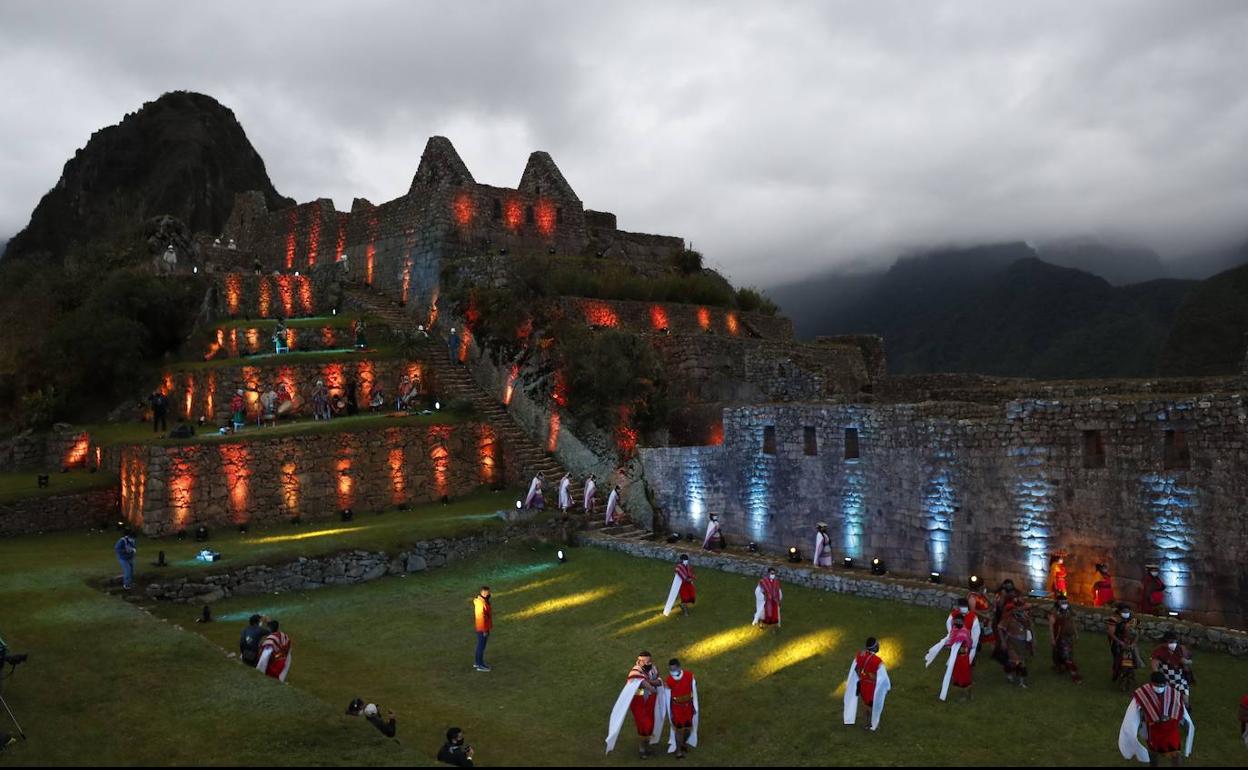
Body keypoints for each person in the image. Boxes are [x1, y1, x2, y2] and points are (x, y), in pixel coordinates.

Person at [1118, 672, 1195, 765]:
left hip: (1170, 729)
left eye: (1161, 685)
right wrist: (1131, 730)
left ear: (1165, 683)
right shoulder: (1143, 693)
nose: (1159, 687)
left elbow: (1182, 710)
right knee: (1153, 753)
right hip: (1154, 730)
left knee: (1176, 754)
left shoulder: (1174, 694)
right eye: (1157, 685)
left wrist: (1187, 724)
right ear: (1152, 683)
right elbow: (1132, 713)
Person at [606, 652, 666, 758]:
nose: (649, 663)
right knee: (644, 726)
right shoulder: (635, 670)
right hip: (639, 703)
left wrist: (650, 683)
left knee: (650, 725)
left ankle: (646, 747)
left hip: (651, 702)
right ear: (640, 661)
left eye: (650, 661)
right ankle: (642, 749)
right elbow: (642, 682)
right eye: (646, 662)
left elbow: (659, 681)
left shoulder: (653, 669)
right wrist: (651, 684)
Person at [844, 637, 891, 730]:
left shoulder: (860, 655)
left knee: (865, 704)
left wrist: (862, 677)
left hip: (862, 684)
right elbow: (882, 677)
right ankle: (873, 724)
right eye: (877, 644)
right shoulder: (877, 661)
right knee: (873, 705)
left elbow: (857, 669)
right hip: (872, 686)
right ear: (874, 647)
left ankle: (866, 723)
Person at [925, 613, 974, 701]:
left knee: (964, 676)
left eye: (959, 621)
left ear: (962, 622)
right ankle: (964, 694)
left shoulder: (964, 632)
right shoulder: (954, 629)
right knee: (957, 675)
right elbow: (951, 640)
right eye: (956, 621)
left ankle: (967, 695)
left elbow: (969, 643)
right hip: (956, 657)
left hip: (963, 657)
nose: (956, 622)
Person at [663, 658, 699, 758]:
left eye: (674, 669)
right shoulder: (669, 680)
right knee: (678, 730)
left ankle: (682, 743)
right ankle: (678, 751)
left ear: (679, 667)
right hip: (677, 708)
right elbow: (667, 696)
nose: (672, 672)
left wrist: (694, 706)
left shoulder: (689, 675)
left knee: (688, 729)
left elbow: (694, 687)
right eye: (670, 670)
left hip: (688, 707)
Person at [1151, 632, 1193, 705]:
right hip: (1166, 681)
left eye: (1175, 641)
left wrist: (1186, 662)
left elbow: (1186, 663)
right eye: (1171, 642)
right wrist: (1160, 679)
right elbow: (1155, 666)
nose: (1173, 644)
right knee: (1165, 702)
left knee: (1185, 701)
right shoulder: (1159, 651)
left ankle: (1185, 713)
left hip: (1180, 681)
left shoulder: (1180, 649)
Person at [1108, 603, 1143, 690]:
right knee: (1119, 660)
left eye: (1127, 611)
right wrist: (1120, 643)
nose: (1126, 612)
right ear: (1119, 611)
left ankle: (1129, 679)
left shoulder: (1133, 619)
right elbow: (1111, 633)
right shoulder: (1114, 619)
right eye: (1124, 611)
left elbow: (1138, 632)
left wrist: (1134, 643)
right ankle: (1118, 675)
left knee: (1131, 661)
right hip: (1118, 643)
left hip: (1130, 643)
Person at [1049, 595, 1082, 683]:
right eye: (1062, 601)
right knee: (1066, 654)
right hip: (1060, 636)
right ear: (1058, 602)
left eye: (1065, 601)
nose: (1064, 603)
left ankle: (1062, 665)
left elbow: (1072, 622)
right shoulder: (1054, 611)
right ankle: (1075, 675)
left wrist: (1076, 634)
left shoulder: (1069, 610)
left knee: (1068, 653)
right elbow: (1051, 626)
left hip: (1069, 636)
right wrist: (1052, 638)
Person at [1001, 601, 1034, 688]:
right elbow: (1000, 628)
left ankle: (1021, 682)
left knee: (1022, 662)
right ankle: (1010, 673)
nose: (1020, 609)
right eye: (1018, 607)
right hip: (1012, 642)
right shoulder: (1009, 617)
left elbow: (1029, 628)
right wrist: (1003, 641)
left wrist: (1032, 641)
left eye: (1021, 607)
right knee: (1016, 662)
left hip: (1022, 642)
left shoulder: (1025, 616)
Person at [945, 598, 982, 663]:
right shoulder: (955, 614)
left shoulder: (973, 617)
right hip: (959, 641)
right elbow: (949, 624)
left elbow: (976, 633)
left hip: (965, 643)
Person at [473, 586, 492, 672]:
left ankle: (478, 663)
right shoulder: (482, 603)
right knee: (481, 646)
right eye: (487, 593)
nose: (488, 594)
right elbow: (481, 618)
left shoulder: (481, 601)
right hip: (482, 628)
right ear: (483, 593)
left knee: (480, 646)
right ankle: (480, 665)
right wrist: (484, 630)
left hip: (481, 627)